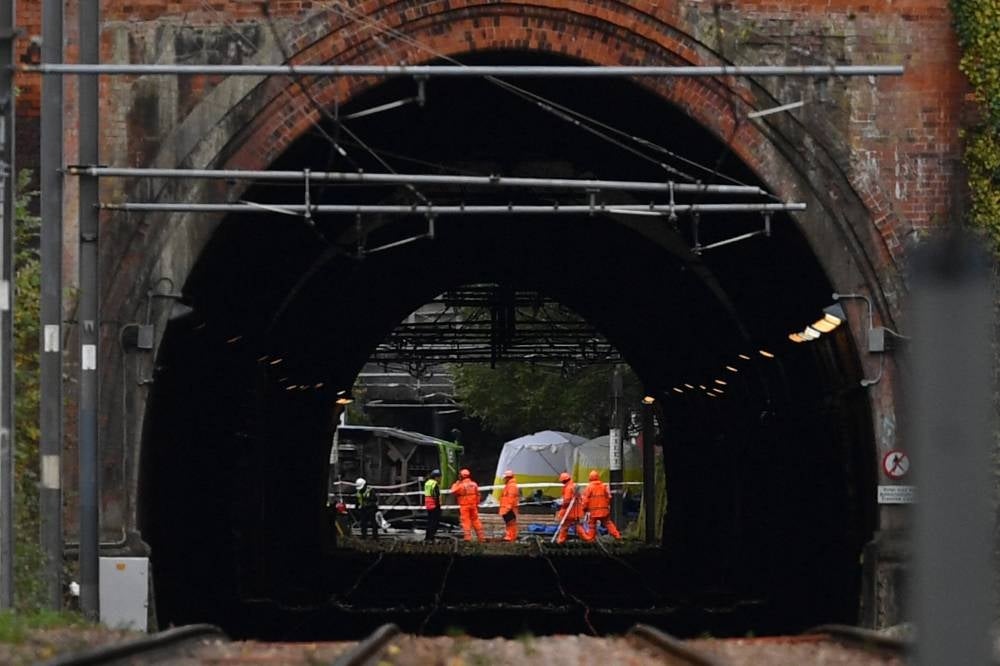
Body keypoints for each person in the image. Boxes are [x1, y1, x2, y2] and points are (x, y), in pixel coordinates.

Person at [580, 469, 622, 541]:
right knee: (608, 524)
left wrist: (583, 509)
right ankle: (617, 536)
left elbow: (585, 500)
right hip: (604, 511)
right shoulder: (603, 486)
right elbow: (609, 497)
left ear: (590, 478)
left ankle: (591, 539)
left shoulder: (589, 488)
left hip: (593, 512)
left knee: (592, 526)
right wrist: (606, 506)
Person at [450, 468, 485, 542]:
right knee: (476, 520)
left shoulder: (461, 485)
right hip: (473, 505)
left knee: (466, 521)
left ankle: (468, 538)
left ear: (461, 476)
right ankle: (481, 537)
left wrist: (456, 483)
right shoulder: (474, 484)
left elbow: (453, 490)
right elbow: (478, 494)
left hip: (464, 506)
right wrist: (477, 503)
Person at [555, 472, 588, 544]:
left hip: (569, 512)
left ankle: (560, 540)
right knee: (578, 526)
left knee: (564, 527)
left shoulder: (568, 488)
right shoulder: (573, 486)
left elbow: (567, 501)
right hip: (576, 511)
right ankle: (586, 539)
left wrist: (561, 506)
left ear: (563, 481)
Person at [498, 469, 519, 542]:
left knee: (511, 523)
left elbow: (511, 498)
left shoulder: (511, 486)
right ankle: (509, 536)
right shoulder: (509, 485)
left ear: (508, 478)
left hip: (509, 508)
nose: (504, 480)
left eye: (505, 478)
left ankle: (511, 537)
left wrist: (507, 508)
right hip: (507, 508)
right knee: (509, 523)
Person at [424, 469, 442, 542]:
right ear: (436, 477)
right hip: (434, 505)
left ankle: (427, 537)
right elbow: (436, 495)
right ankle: (432, 537)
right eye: (440, 477)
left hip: (428, 504)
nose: (440, 478)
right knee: (434, 522)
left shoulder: (427, 483)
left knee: (430, 521)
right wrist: (438, 506)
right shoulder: (434, 483)